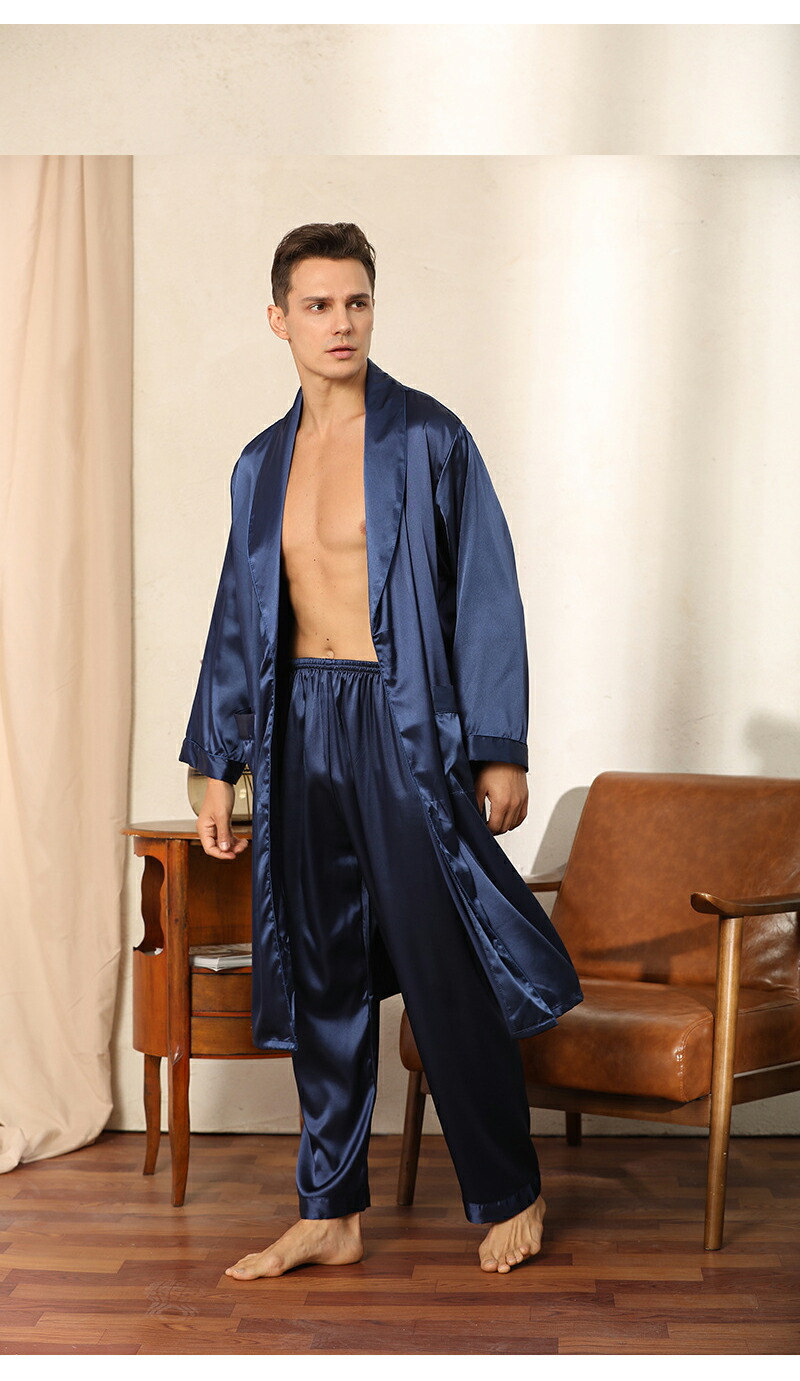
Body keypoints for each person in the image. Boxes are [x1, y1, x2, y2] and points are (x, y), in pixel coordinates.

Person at [179, 222, 582, 1279]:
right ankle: (329, 1209)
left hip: (400, 723)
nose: (341, 322)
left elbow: (485, 593)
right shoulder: (259, 464)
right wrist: (216, 762)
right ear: (278, 319)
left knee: (444, 962)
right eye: (318, 305)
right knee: (321, 969)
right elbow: (237, 617)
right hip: (296, 723)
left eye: (356, 301)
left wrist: (496, 746)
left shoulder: (428, 439)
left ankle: (508, 1186)